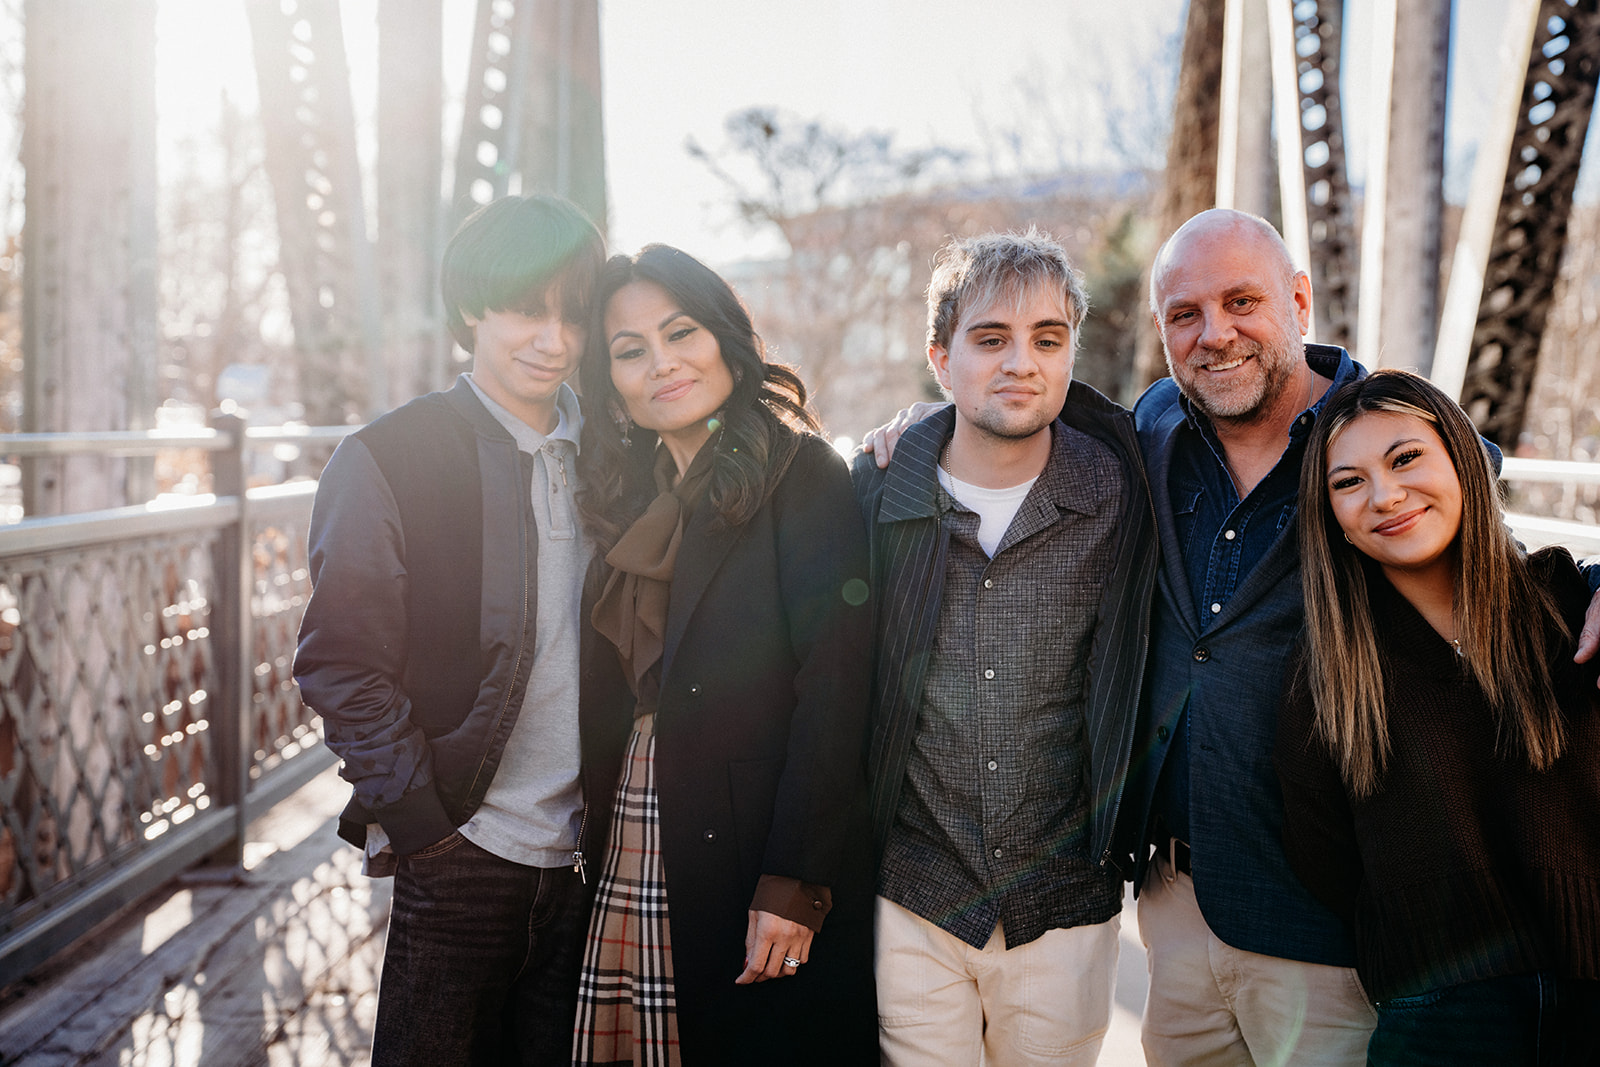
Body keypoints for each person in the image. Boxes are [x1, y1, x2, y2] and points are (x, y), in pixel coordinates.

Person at [294, 194, 604, 1066]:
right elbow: (340, 663)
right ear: (472, 305)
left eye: (571, 314)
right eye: (524, 308)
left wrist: (907, 439)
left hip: (591, 857)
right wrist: (425, 825)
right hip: (463, 847)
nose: (552, 338)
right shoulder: (386, 457)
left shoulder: (616, 460)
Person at [852, 229, 1157, 1066]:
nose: (1021, 361)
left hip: (1062, 901)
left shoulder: (1124, 494)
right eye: (991, 339)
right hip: (913, 892)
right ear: (941, 358)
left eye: (1047, 339)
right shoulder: (880, 491)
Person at [571, 244, 878, 1066]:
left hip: (750, 842)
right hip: (640, 818)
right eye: (629, 351)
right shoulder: (630, 497)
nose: (661, 364)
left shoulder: (799, 472)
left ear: (725, 339)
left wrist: (795, 882)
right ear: (611, 383)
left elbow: (837, 683)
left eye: (681, 332)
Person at [1276, 369, 1600, 1064]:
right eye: (1349, 482)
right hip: (1440, 1017)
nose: (1385, 496)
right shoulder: (1330, 673)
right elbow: (1324, 855)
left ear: (1459, 455)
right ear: (1332, 517)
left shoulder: (1569, 603)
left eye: (1405, 458)